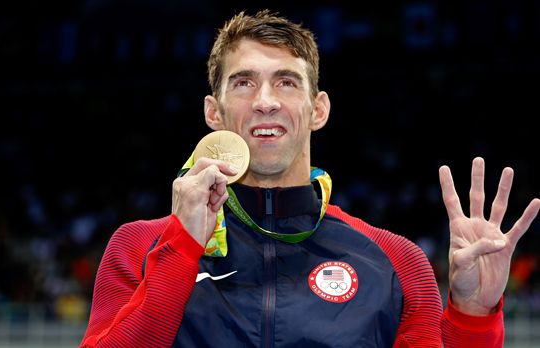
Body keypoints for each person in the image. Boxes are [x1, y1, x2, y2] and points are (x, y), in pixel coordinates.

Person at [80, 9, 540, 347]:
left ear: (318, 109)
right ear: (213, 112)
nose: (265, 101)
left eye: (286, 81)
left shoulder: (398, 263)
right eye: (243, 82)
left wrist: (475, 316)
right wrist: (181, 246)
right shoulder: (140, 247)